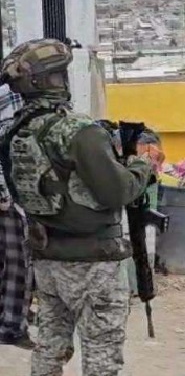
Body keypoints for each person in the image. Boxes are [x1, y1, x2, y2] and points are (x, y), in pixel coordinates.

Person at [0, 39, 163, 376]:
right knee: (101, 353)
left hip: (47, 257)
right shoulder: (78, 132)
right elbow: (117, 191)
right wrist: (142, 165)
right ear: (53, 81)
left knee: (50, 345)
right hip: (93, 261)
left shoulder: (14, 133)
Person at [0, 88, 34, 349]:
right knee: (18, 262)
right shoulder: (10, 95)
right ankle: (11, 326)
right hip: (10, 196)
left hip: (11, 193)